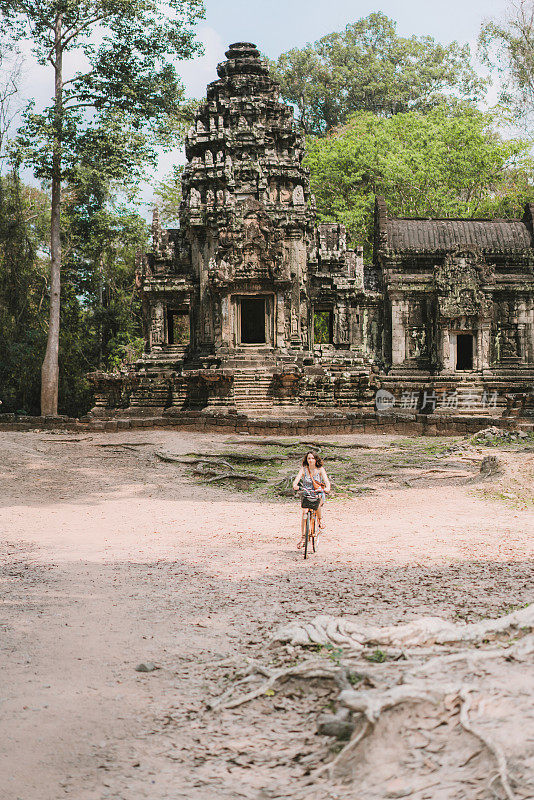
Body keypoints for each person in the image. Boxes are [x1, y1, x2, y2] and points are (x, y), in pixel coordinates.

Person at [292, 451, 331, 549]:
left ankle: (320, 519)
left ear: (316, 459)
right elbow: (296, 480)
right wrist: (295, 485)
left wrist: (326, 489)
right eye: (309, 458)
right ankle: (303, 537)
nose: (310, 460)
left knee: (317, 503)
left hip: (318, 493)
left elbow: (327, 482)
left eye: (312, 458)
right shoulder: (304, 469)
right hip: (307, 493)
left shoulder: (320, 469)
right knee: (304, 512)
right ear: (306, 460)